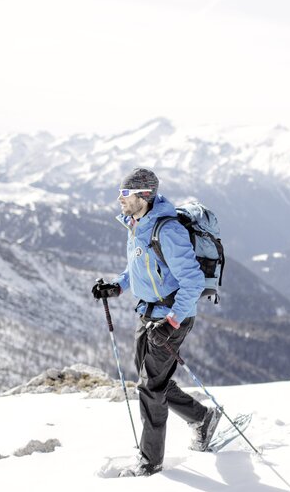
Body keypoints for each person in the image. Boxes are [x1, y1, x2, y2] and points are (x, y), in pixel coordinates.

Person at [92, 167, 221, 476]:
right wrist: (118, 286)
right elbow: (139, 266)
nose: (119, 199)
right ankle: (202, 418)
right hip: (147, 312)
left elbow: (191, 280)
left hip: (172, 316)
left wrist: (173, 321)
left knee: (151, 387)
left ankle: (150, 462)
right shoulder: (136, 224)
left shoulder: (168, 230)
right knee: (151, 382)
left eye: (125, 193)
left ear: (144, 196)